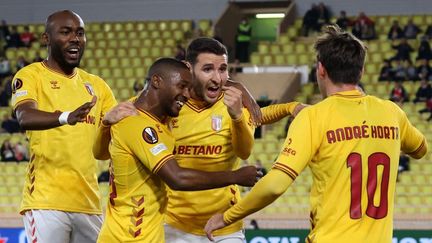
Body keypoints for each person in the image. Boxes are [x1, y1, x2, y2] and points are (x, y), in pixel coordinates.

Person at [204, 25, 428, 243]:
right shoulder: (391, 112)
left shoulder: (314, 117)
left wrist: (227, 217)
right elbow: (420, 149)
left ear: (321, 69)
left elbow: (275, 185)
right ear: (361, 71)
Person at [95, 57, 261, 242]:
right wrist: (236, 177)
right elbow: (177, 178)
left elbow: (99, 153)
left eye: (189, 88)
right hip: (127, 238)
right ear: (157, 81)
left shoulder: (159, 120)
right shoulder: (137, 124)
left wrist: (238, 87)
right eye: (182, 86)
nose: (187, 94)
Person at [11, 10, 135, 243]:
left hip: (89, 203)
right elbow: (25, 116)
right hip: (46, 202)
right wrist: (65, 117)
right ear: (46, 38)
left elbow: (115, 140)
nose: (75, 38)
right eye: (66, 32)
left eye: (80, 33)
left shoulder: (98, 86)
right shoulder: (31, 75)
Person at [164, 37, 304, 243]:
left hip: (225, 228)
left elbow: (245, 150)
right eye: (208, 69)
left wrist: (240, 115)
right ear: (189, 68)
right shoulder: (171, 105)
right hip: (175, 226)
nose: (217, 78)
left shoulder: (232, 103)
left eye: (223, 69)